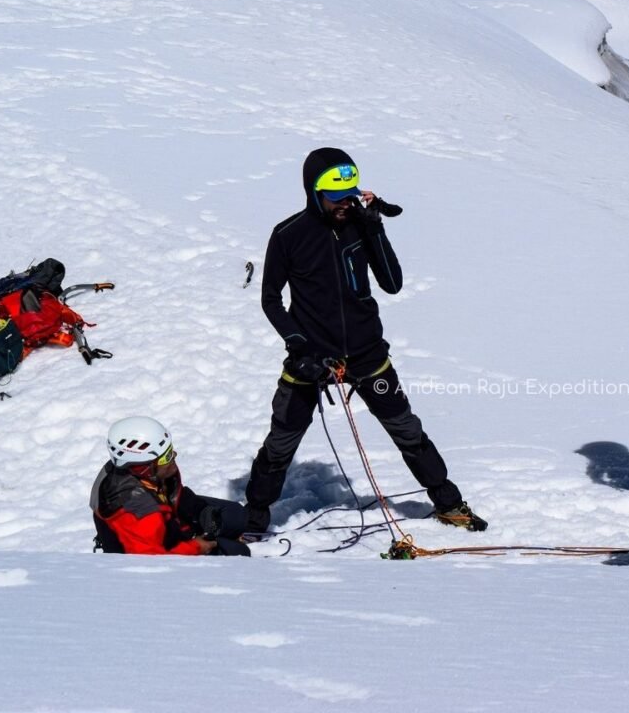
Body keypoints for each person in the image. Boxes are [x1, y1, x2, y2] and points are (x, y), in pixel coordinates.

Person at [242, 147, 486, 535]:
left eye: (350, 196)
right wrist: (299, 346)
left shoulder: (361, 223)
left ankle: (449, 503)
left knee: (407, 430)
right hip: (310, 359)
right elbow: (270, 299)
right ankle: (253, 519)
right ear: (314, 193)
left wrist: (375, 229)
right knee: (281, 441)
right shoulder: (288, 235)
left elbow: (392, 283)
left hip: (368, 354)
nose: (345, 204)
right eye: (336, 199)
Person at [91, 416, 251, 556]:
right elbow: (155, 560)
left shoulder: (146, 471)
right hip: (157, 549)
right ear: (144, 467)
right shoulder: (142, 513)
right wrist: (198, 547)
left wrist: (201, 511)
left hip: (167, 523)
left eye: (170, 450)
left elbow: (174, 494)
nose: (174, 456)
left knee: (237, 515)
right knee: (239, 552)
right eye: (167, 456)